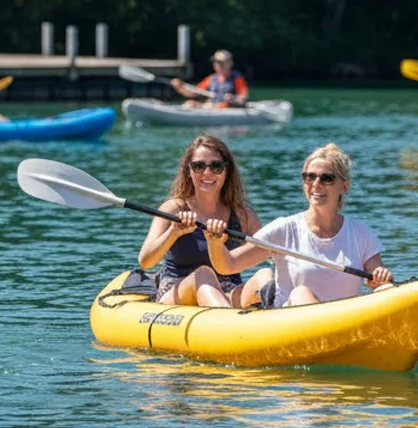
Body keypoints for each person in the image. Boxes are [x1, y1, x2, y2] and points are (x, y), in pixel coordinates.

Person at [199, 143, 394, 309]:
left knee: (389, 290)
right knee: (302, 293)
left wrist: (381, 279)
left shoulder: (361, 233)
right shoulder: (284, 229)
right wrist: (214, 242)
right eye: (310, 177)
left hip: (345, 323)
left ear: (344, 187)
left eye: (327, 178)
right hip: (292, 325)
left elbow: (378, 280)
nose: (316, 184)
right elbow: (228, 266)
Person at [138, 135, 271, 308]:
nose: (207, 173)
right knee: (204, 274)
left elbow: (265, 252)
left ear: (226, 171)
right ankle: (229, 324)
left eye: (216, 166)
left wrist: (219, 246)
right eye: (199, 166)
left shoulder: (243, 214)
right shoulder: (173, 209)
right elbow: (145, 260)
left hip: (227, 291)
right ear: (189, 171)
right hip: (178, 292)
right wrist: (173, 232)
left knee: (264, 274)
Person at [171, 50, 249, 108]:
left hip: (227, 108)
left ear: (229, 64)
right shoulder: (211, 78)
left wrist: (233, 98)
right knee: (189, 103)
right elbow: (193, 93)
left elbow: (243, 97)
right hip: (212, 106)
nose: (217, 65)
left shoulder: (236, 78)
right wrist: (179, 87)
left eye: (220, 63)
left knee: (221, 106)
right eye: (216, 62)